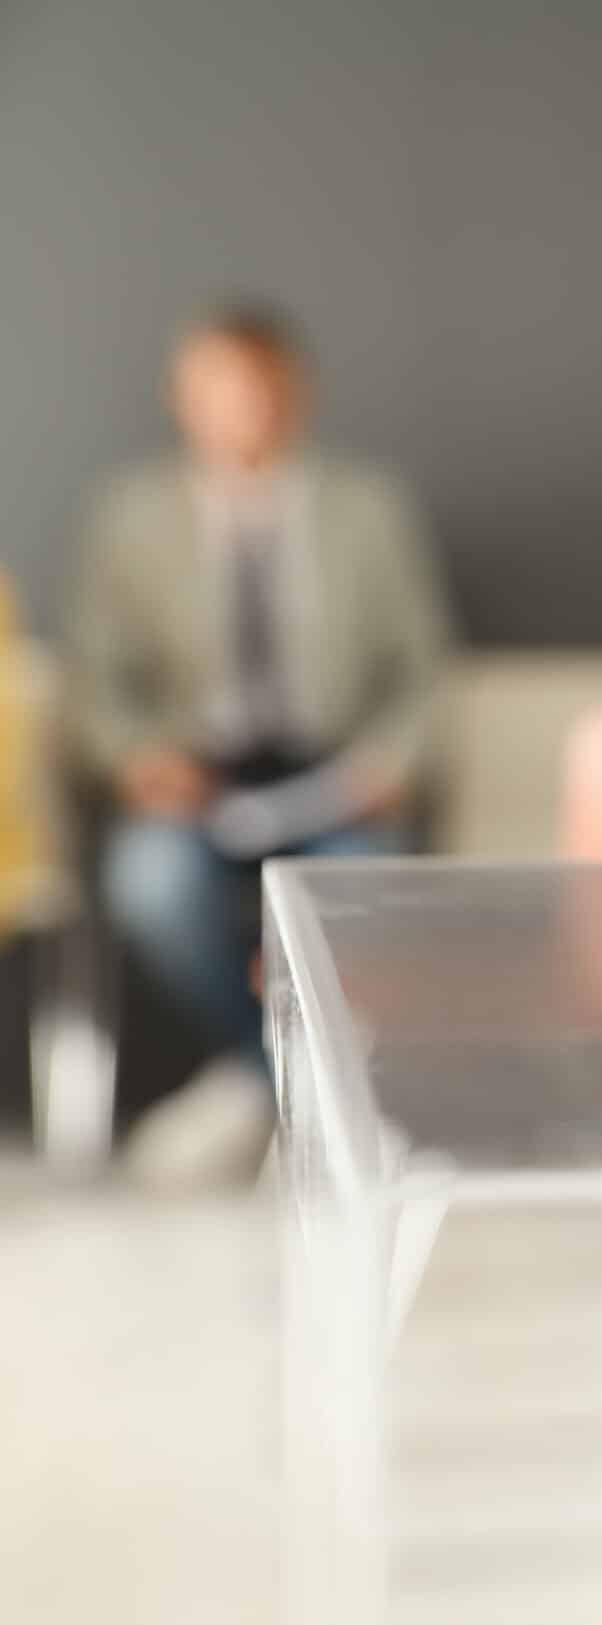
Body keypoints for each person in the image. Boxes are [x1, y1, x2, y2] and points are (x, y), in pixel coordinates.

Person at [69, 303, 450, 1185]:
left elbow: (423, 671)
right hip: (197, 781)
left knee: (356, 893)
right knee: (151, 883)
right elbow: (97, 679)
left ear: (296, 393)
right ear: (182, 398)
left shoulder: (368, 510)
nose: (244, 408)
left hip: (335, 775)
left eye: (260, 389)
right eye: (220, 390)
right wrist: (138, 756)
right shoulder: (130, 519)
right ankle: (282, 1081)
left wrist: (392, 760)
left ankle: (257, 1089)